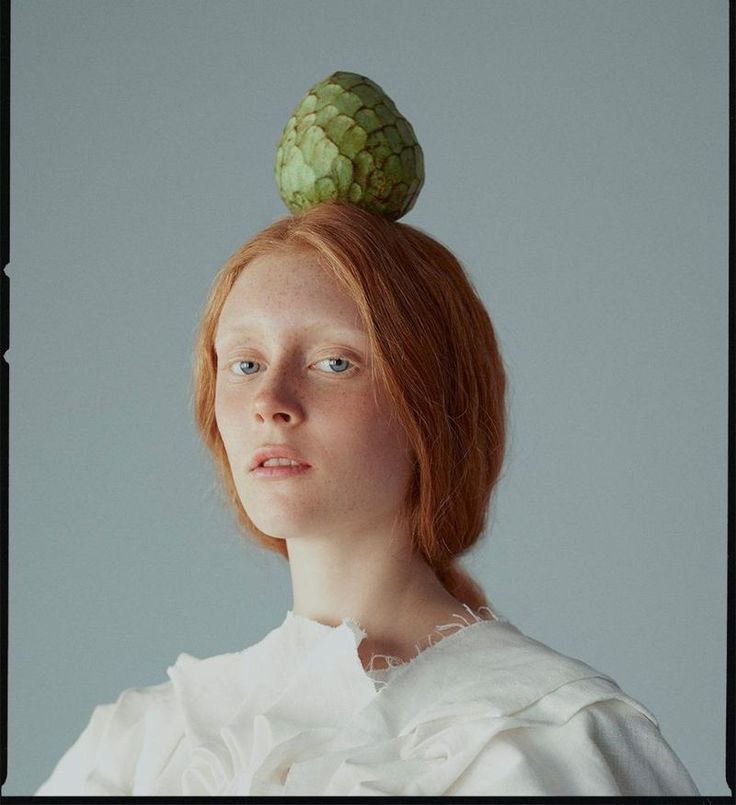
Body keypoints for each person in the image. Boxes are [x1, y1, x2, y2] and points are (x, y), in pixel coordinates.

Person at [35, 202, 700, 796]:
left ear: (433, 407)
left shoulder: (550, 742)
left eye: (333, 362)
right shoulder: (138, 744)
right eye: (245, 363)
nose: (270, 402)